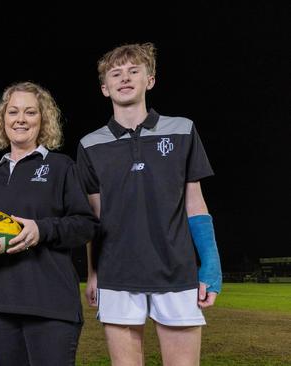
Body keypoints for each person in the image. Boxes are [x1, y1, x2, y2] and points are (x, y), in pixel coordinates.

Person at [77, 42, 222, 365]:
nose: (124, 78)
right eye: (116, 73)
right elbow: (95, 217)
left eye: (133, 71)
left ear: (150, 80)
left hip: (176, 272)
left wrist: (210, 265)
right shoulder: (90, 144)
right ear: (105, 88)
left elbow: (195, 204)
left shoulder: (183, 129)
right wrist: (93, 273)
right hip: (117, 275)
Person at [0, 81, 98, 365]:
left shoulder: (61, 167)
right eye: (13, 112)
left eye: (30, 112)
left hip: (51, 304)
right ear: (2, 119)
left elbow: (86, 225)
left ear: (43, 120)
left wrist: (41, 230)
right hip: (0, 305)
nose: (20, 119)